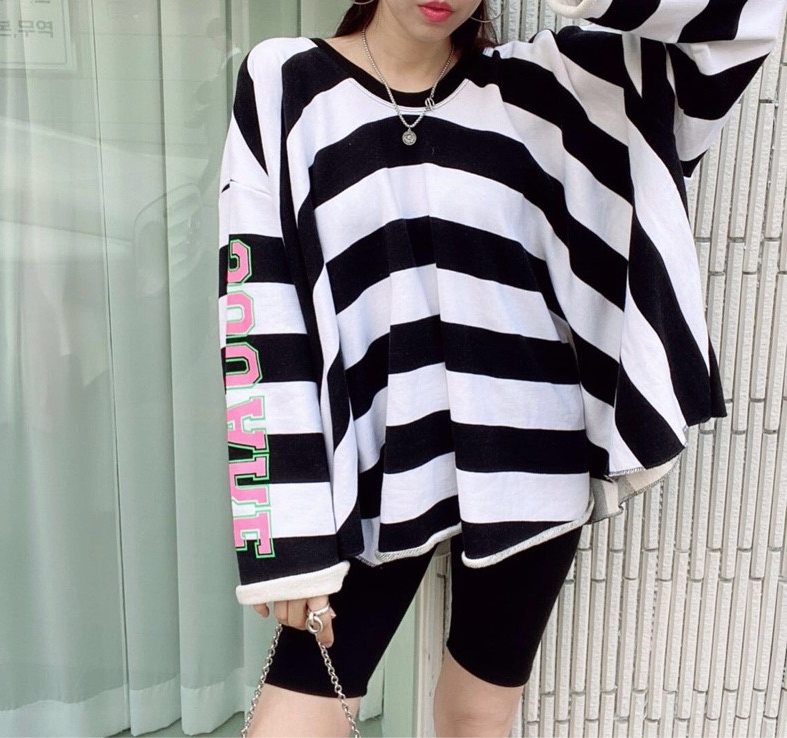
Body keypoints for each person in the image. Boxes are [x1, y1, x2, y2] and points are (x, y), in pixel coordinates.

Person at [217, 0, 785, 735]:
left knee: (476, 717)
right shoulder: (287, 80)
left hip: (531, 458)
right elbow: (259, 305)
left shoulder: (549, 83)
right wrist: (289, 540)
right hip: (376, 468)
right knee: (294, 720)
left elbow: (745, 21)